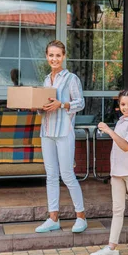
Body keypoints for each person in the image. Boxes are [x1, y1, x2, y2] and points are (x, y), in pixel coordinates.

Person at [34, 40, 88, 234]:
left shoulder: (71, 78)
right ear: (46, 57)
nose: (54, 59)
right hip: (46, 132)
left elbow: (80, 103)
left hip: (64, 132)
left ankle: (81, 217)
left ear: (63, 56)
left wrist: (63, 104)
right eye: (51, 55)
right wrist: (37, 107)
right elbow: (44, 108)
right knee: (51, 175)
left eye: (58, 55)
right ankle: (53, 218)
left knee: (67, 175)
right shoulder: (46, 80)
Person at [90, 88, 128, 255]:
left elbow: (126, 146)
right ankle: (111, 247)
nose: (126, 107)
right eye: (123, 104)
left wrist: (109, 131)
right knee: (118, 209)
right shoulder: (121, 121)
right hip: (117, 172)